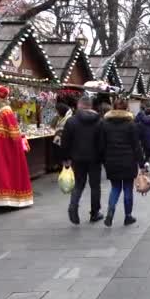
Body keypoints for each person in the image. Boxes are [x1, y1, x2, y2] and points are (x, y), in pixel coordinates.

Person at [0, 85, 33, 208]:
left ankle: (7, 201)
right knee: (3, 174)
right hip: (1, 150)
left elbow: (11, 135)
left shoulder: (4, 113)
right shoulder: (3, 112)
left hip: (5, 152)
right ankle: (3, 201)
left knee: (5, 174)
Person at [99, 100, 144, 227]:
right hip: (128, 160)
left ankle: (110, 211)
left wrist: (104, 160)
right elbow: (136, 146)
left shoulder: (105, 124)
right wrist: (141, 163)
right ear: (126, 109)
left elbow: (101, 145)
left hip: (111, 161)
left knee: (115, 188)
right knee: (128, 189)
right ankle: (128, 216)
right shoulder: (131, 124)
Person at [62, 96, 103, 224]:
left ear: (79, 105)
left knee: (79, 184)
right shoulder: (99, 122)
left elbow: (65, 142)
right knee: (95, 186)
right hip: (95, 159)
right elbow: (103, 142)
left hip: (77, 158)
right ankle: (94, 213)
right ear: (90, 106)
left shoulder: (71, 121)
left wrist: (66, 158)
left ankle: (73, 206)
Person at [51, 102, 73, 168]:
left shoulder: (69, 118)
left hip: (65, 142)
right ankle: (62, 167)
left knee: (65, 159)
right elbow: (52, 125)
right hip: (59, 141)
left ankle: (66, 169)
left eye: (57, 110)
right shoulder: (59, 117)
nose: (56, 112)